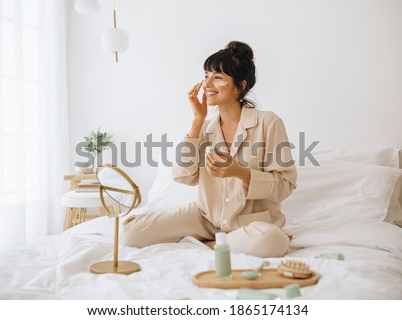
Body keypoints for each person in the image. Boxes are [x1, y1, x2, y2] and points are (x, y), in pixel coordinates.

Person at [122, 41, 297, 258]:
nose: (208, 83)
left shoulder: (268, 122)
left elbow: (285, 186)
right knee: (130, 232)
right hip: (206, 218)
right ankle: (221, 242)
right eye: (206, 75)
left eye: (218, 77)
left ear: (240, 87)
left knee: (273, 241)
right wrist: (197, 121)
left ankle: (213, 244)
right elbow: (182, 176)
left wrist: (240, 172)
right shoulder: (205, 128)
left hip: (249, 224)